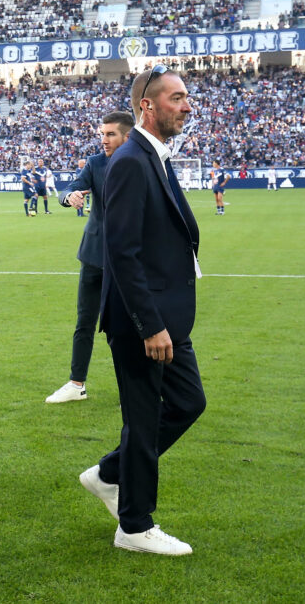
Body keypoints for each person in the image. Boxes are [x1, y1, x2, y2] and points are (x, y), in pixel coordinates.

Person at [80, 65, 205, 556]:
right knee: (141, 415)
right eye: (177, 98)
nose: (187, 105)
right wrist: (150, 325)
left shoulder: (154, 156)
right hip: (142, 322)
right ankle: (134, 526)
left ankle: (110, 474)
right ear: (147, 107)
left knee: (187, 403)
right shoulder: (132, 160)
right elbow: (122, 251)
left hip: (166, 317)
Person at [46, 111, 134, 405]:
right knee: (84, 322)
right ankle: (76, 384)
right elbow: (69, 187)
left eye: (110, 134)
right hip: (94, 255)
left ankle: (135, 386)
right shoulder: (96, 163)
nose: (104, 140)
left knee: (127, 326)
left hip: (126, 260)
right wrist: (68, 197)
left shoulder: (141, 164)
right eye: (102, 134)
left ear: (127, 136)